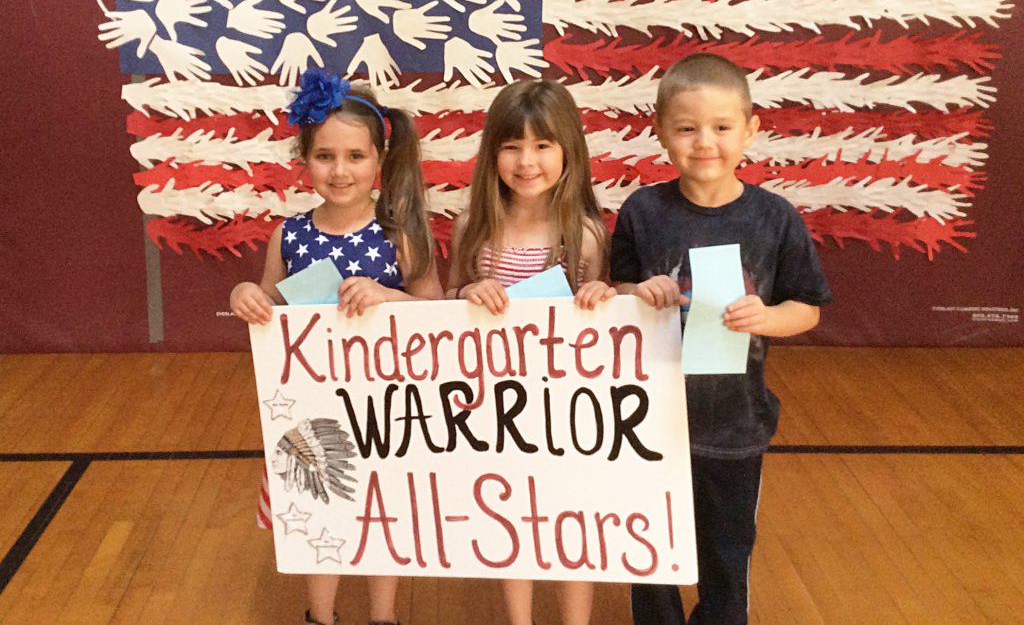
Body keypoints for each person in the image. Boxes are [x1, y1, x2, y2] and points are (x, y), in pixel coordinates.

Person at [611, 53, 832, 625]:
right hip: (648, 424)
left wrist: (768, 317)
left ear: (751, 129)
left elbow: (807, 309)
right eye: (686, 128)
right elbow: (617, 288)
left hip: (735, 425)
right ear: (658, 131)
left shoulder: (775, 218)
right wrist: (640, 290)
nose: (704, 142)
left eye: (722, 127)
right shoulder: (642, 210)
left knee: (727, 556)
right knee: (651, 551)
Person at [230, 68, 443, 625]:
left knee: (382, 510)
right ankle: (319, 615)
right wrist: (245, 292)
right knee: (316, 509)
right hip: (312, 407)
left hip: (387, 406)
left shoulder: (402, 232)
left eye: (354, 156)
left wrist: (387, 296)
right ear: (304, 159)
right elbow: (269, 301)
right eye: (325, 156)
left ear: (379, 160)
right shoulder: (290, 234)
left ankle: (383, 616)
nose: (340, 170)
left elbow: (438, 312)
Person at [446, 79, 615, 625]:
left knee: (571, 520)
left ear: (569, 151)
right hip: (493, 408)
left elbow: (608, 324)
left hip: (566, 410)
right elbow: (444, 302)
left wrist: (599, 294)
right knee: (513, 519)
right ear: (492, 151)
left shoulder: (584, 234)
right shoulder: (471, 226)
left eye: (543, 145)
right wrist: (466, 292)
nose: (526, 161)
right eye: (511, 145)